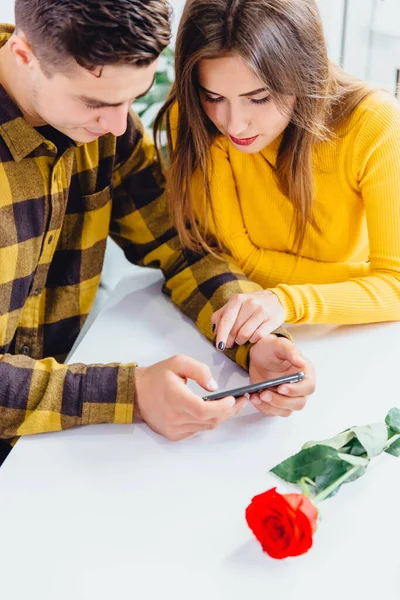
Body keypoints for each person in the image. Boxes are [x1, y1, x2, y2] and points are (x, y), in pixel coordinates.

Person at [0, 0, 315, 462]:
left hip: (53, 448)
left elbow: (178, 245)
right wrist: (129, 392)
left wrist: (256, 341)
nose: (118, 124)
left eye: (134, 99)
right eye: (96, 103)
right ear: (24, 53)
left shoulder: (108, 125)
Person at [155, 0, 400, 352]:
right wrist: (366, 284)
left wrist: (285, 301)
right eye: (214, 96)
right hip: (239, 328)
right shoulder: (195, 119)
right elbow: (229, 256)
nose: (233, 124)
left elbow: (396, 287)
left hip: (352, 337)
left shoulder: (373, 126)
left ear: (304, 70)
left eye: (259, 98)